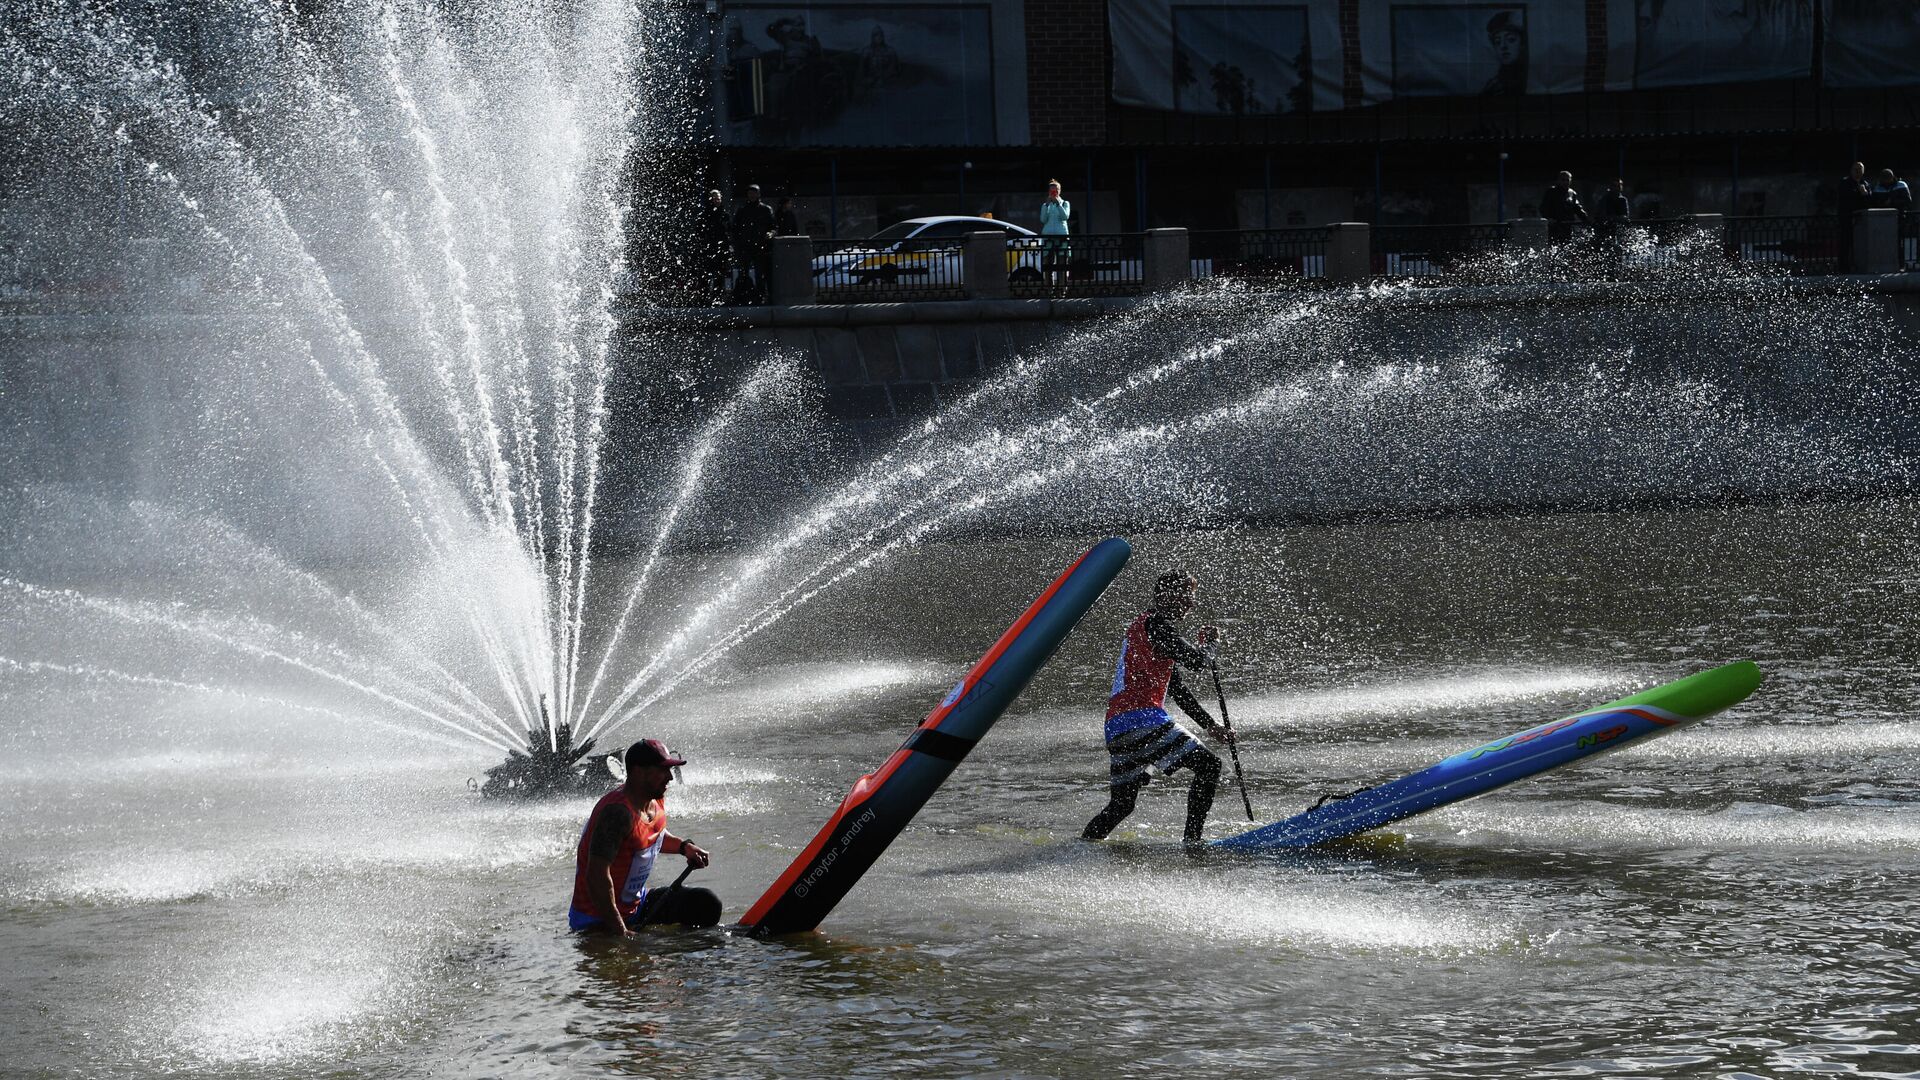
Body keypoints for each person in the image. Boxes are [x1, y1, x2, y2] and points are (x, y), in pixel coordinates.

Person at [1082, 571, 1233, 845]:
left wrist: (1210, 726)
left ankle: (1083, 846)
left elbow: (1178, 691)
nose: (1191, 603)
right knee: (1209, 766)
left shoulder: (1147, 629)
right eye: (1187, 595)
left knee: (1122, 806)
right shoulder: (1156, 625)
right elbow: (1198, 661)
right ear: (1166, 595)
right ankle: (1193, 843)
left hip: (1117, 726)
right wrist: (1210, 645)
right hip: (1141, 720)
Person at [569, 738, 720, 935]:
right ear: (639, 772)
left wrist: (684, 847)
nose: (670, 777)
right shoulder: (617, 814)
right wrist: (620, 931)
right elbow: (596, 875)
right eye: (662, 770)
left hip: (637, 906)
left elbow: (651, 836)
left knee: (706, 904)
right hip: (596, 920)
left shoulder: (655, 799)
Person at [731, 183, 777, 304]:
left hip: (760, 246)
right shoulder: (742, 210)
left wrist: (770, 234)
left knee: (760, 273)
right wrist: (736, 244)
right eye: (750, 193)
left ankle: (761, 296)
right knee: (743, 273)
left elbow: (773, 227)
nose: (752, 195)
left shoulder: (765, 209)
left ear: (758, 194)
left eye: (754, 193)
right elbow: (735, 228)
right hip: (745, 246)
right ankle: (743, 296)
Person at [1482, 11, 1526, 96]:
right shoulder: (1494, 86)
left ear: (1523, 43)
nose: (1503, 46)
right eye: (1497, 42)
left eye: (1511, 39)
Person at [1039, 179, 1071, 295]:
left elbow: (1065, 217)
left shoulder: (1065, 203)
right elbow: (1043, 219)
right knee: (1047, 263)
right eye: (1051, 191)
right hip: (1048, 237)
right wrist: (1046, 206)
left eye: (1055, 190)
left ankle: (1062, 289)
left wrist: (1058, 204)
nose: (1053, 193)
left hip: (1062, 237)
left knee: (1062, 264)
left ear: (1059, 191)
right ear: (1048, 192)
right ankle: (1049, 289)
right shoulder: (1045, 205)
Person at [699, 189, 732, 301]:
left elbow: (729, 231)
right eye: (714, 198)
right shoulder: (705, 215)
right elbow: (700, 232)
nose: (716, 201)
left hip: (722, 248)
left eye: (718, 198)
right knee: (707, 274)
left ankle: (718, 296)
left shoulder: (725, 214)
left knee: (720, 274)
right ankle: (705, 296)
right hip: (708, 248)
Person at [1837, 162, 1870, 271]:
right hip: (1847, 218)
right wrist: (1858, 193)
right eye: (1855, 169)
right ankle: (1844, 267)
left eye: (1860, 169)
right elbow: (1845, 199)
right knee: (1845, 243)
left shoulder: (1865, 183)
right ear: (1851, 171)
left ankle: (1859, 265)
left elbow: (1869, 201)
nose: (1857, 172)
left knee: (1860, 244)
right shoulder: (1845, 182)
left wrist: (1865, 193)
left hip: (1861, 220)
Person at [1541, 170, 1589, 245]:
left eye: (1567, 180)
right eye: (1563, 180)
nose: (1565, 182)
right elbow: (1543, 207)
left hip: (1567, 225)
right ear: (1558, 180)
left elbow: (1577, 208)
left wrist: (1586, 219)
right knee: (1554, 246)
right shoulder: (1551, 192)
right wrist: (1549, 218)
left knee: (1567, 246)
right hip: (1555, 225)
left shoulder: (1572, 193)